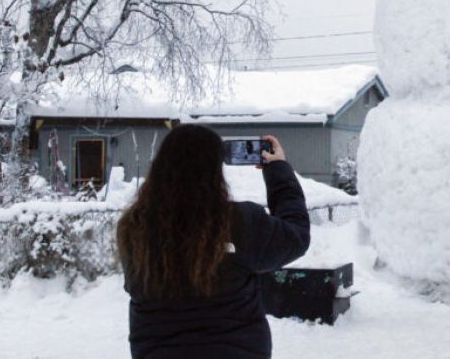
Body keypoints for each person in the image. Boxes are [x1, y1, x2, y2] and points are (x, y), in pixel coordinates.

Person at [117, 124, 309, 358]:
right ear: (214, 170)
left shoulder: (134, 227)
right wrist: (278, 170)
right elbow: (296, 236)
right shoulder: (238, 223)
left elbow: (135, 286)